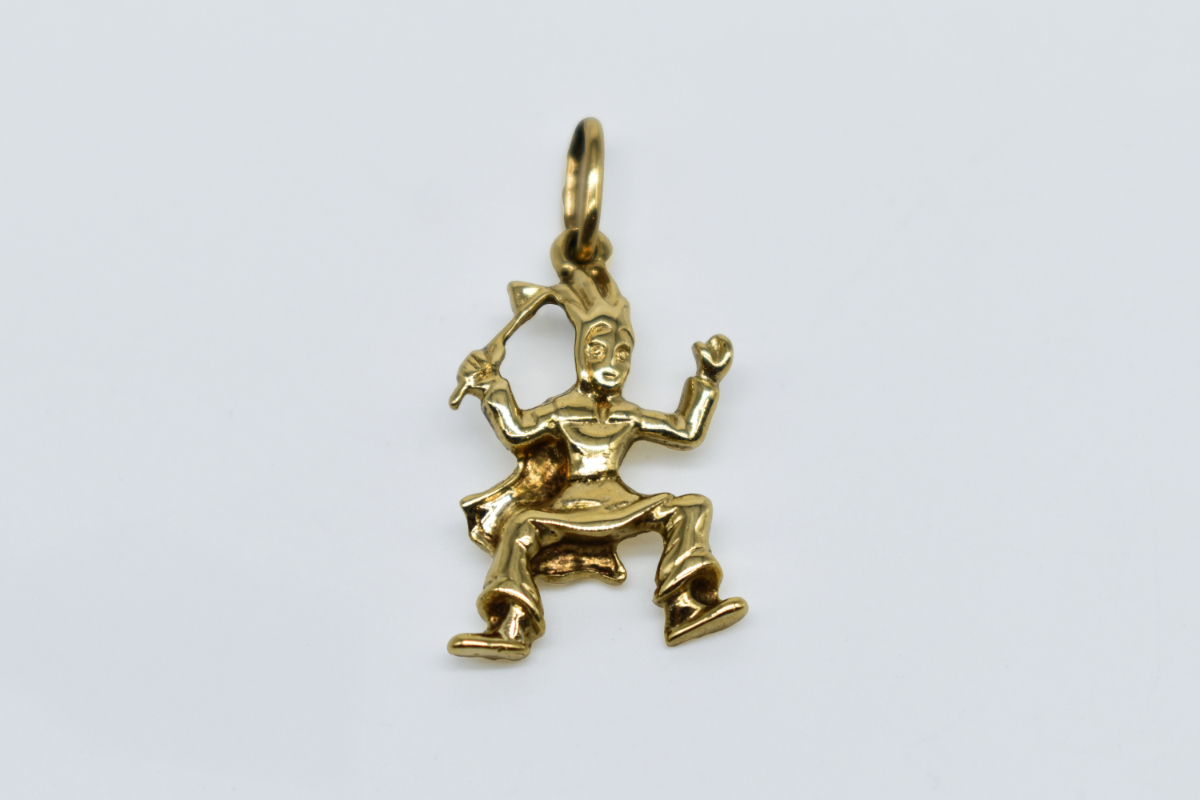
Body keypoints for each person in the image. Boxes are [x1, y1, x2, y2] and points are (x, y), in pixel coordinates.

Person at [448, 260, 747, 661]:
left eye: (623, 352)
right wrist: (491, 387)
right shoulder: (561, 411)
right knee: (520, 524)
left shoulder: (628, 414)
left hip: (623, 506)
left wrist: (707, 380)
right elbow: (517, 432)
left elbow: (685, 432)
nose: (612, 363)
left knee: (691, 507)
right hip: (567, 512)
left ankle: (687, 606)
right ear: (581, 351)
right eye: (598, 348)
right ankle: (510, 625)